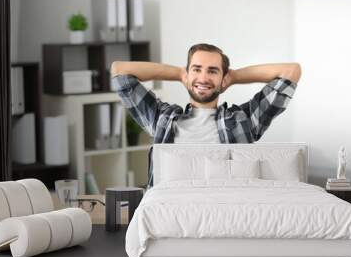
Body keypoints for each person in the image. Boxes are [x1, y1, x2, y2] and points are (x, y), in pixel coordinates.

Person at [111, 43, 301, 187]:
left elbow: (290, 72)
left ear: (222, 78)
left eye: (212, 71)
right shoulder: (162, 119)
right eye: (196, 69)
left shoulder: (244, 120)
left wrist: (233, 77)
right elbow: (120, 71)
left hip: (224, 212)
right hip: (169, 211)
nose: (203, 78)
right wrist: (179, 73)